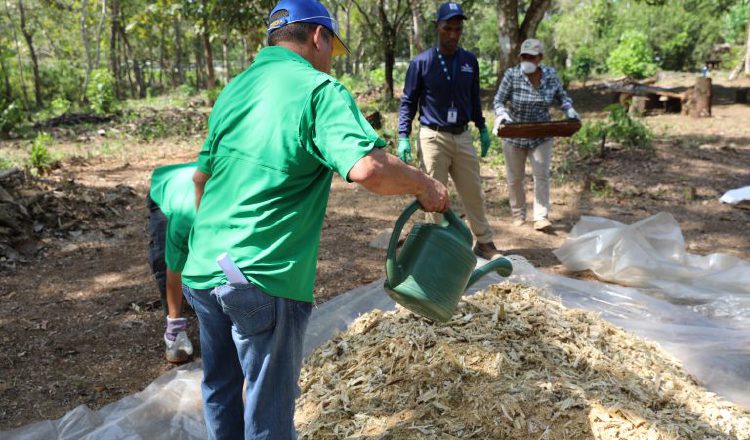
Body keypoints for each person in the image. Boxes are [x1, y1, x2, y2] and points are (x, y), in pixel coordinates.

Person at [180, 0, 449, 437]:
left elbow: (199, 180)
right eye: (330, 49)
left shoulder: (236, 89)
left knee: (221, 391)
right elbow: (369, 169)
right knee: (267, 413)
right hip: (261, 277)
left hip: (203, 270)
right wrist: (426, 186)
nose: (329, 62)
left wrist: (209, 246)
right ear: (319, 37)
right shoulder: (318, 90)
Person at [397, 2, 500, 261]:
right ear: (437, 28)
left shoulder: (469, 61)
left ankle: (484, 242)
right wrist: (402, 136)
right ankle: (437, 245)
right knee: (433, 193)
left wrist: (482, 126)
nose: (453, 34)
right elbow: (409, 100)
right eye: (447, 29)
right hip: (433, 136)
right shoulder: (421, 62)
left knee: (473, 190)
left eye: (457, 29)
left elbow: (473, 97)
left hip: (462, 135)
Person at [492, 38, 579, 231]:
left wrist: (569, 109)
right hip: (515, 133)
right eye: (524, 56)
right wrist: (502, 114)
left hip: (541, 133)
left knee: (541, 175)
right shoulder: (512, 75)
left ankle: (541, 216)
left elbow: (562, 97)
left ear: (540, 58)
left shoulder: (550, 75)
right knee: (515, 178)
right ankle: (518, 215)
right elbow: (498, 101)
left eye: (532, 57)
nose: (527, 60)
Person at [146, 162, 196, 363]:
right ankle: (173, 329)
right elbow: (173, 274)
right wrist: (176, 324)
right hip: (166, 187)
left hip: (193, 183)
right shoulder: (182, 222)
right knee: (162, 260)